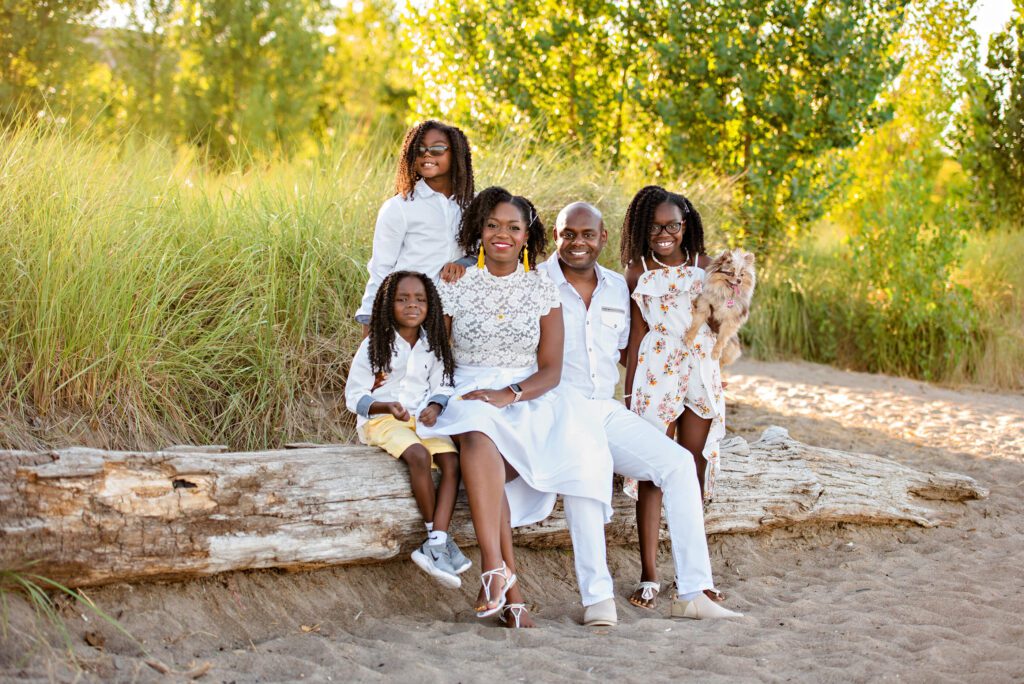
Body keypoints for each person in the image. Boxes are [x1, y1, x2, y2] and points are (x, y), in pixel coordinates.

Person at [417, 187, 614, 629]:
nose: (501, 234)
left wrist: (509, 394)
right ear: (478, 231)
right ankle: (505, 581)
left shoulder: (542, 290)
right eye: (492, 225)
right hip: (465, 386)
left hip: (527, 396)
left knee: (482, 448)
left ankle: (502, 581)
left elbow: (551, 371)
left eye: (513, 227)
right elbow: (436, 354)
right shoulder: (453, 283)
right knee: (474, 427)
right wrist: (433, 397)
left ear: (528, 235)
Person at [540, 201, 741, 623]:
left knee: (680, 463)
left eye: (588, 234)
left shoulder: (616, 286)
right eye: (568, 234)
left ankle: (692, 591)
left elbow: (632, 348)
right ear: (555, 237)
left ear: (603, 238)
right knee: (587, 478)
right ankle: (598, 601)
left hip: (604, 407)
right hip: (557, 407)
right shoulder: (537, 284)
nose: (578, 243)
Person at [620, 185, 728, 610]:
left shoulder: (707, 267)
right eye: (655, 227)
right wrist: (630, 394)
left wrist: (728, 296)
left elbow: (721, 328)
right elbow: (635, 336)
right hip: (655, 369)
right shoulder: (636, 270)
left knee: (694, 463)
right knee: (653, 467)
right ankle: (649, 573)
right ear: (643, 228)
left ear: (686, 227)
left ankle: (695, 576)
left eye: (672, 226)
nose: (664, 234)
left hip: (700, 367)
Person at [345, 271, 472, 588]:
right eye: (402, 299)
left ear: (430, 305)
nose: (411, 305)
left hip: (421, 418)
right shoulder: (376, 345)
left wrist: (435, 407)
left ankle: (437, 542)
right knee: (417, 456)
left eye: (420, 299)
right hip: (383, 420)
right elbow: (353, 396)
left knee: (452, 462)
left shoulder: (434, 346)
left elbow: (443, 384)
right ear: (389, 304)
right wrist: (385, 407)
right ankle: (436, 538)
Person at [354, 120, 475, 336]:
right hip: (407, 317)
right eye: (420, 149)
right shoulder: (399, 207)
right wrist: (369, 325)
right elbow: (381, 269)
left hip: (455, 318)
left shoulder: (471, 205)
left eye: (437, 149)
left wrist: (464, 264)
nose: (427, 155)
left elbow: (481, 253)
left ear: (456, 153)